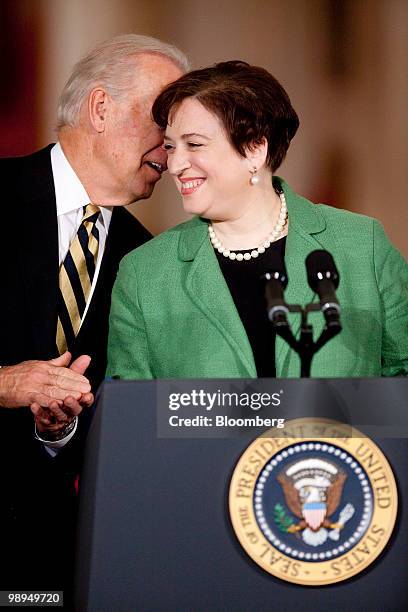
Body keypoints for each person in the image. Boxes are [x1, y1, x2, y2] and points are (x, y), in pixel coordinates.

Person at [0, 34, 187, 594]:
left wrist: (57, 427)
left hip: (42, 561)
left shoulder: (149, 262)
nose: (173, 151)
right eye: (163, 122)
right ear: (100, 108)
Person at [107, 61, 408, 380]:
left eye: (194, 144)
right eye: (170, 147)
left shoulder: (363, 245)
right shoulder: (145, 273)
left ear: (255, 149)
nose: (176, 163)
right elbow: (131, 413)